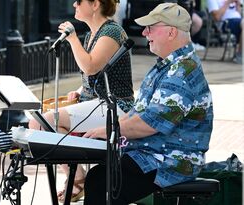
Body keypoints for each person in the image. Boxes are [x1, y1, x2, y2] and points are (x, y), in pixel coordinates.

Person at [82, 3, 213, 205]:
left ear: (171, 32)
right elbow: (138, 112)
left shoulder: (182, 72)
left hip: (171, 162)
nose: (144, 32)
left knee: (102, 182)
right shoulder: (167, 65)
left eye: (151, 27)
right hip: (154, 154)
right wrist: (106, 130)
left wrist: (110, 130)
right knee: (101, 177)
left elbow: (149, 123)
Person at [28, 0, 134, 202]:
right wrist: (79, 91)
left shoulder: (111, 32)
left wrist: (72, 38)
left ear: (95, 5)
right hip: (97, 103)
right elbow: (94, 77)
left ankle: (77, 179)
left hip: (116, 106)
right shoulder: (92, 35)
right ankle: (77, 177)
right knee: (40, 122)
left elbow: (91, 67)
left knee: (42, 123)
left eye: (79, 1)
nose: (74, 4)